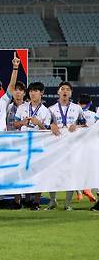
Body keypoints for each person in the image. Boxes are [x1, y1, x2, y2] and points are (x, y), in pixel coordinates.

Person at [47, 81, 88, 211]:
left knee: (71, 173)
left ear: (70, 93)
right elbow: (45, 125)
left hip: (72, 146)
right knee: (52, 173)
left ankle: (67, 203)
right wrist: (51, 126)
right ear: (58, 92)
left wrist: (77, 126)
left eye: (67, 89)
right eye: (62, 89)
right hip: (55, 146)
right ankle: (53, 201)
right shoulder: (51, 109)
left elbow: (85, 125)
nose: (65, 91)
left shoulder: (77, 108)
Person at [12, 82, 52, 210]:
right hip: (22, 143)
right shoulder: (22, 107)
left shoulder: (46, 111)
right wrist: (23, 122)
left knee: (36, 172)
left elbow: (47, 131)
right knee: (19, 171)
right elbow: (15, 124)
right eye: (31, 91)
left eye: (36, 91)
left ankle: (36, 202)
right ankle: (18, 202)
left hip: (37, 145)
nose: (33, 93)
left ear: (42, 93)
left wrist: (38, 123)